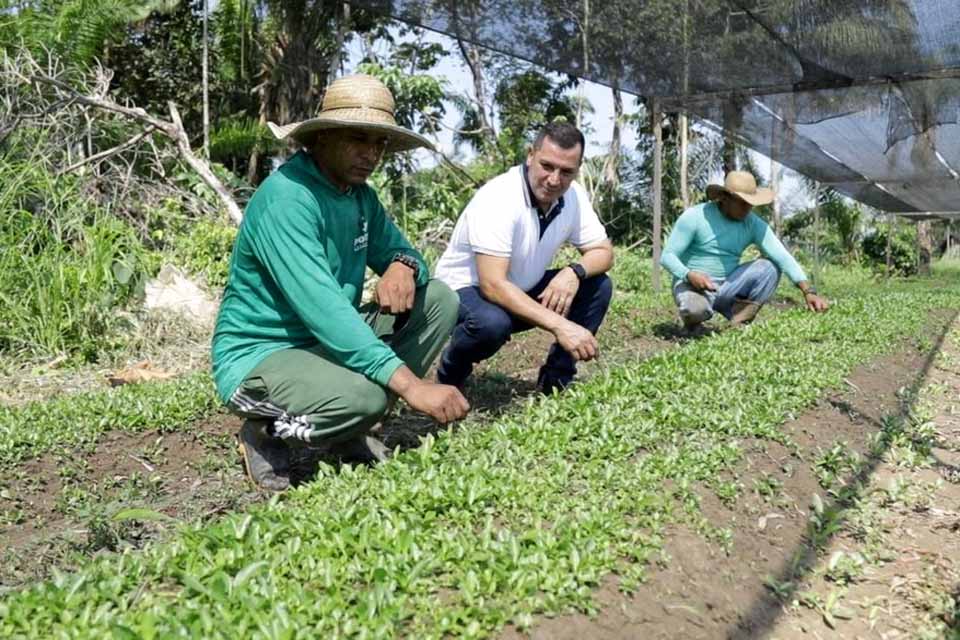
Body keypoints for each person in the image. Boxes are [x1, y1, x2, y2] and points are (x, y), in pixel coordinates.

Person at [212, 74, 469, 491]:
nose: (370, 154)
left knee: (439, 299)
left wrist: (401, 265)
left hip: (325, 343)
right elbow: (327, 312)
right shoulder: (288, 199)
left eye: (379, 143)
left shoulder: (358, 194)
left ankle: (350, 428)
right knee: (366, 397)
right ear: (322, 138)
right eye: (358, 139)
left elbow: (411, 258)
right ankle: (265, 432)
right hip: (264, 353)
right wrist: (412, 387)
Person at [434, 122, 614, 394]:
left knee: (597, 285)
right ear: (531, 155)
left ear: (577, 170)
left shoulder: (573, 196)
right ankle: (448, 376)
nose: (554, 180)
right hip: (463, 292)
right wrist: (562, 326)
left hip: (517, 288)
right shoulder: (500, 196)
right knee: (491, 324)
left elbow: (604, 252)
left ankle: (555, 382)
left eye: (566, 172)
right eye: (547, 166)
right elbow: (492, 284)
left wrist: (572, 272)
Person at [661, 170, 829, 333]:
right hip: (692, 285)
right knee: (694, 310)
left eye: (750, 203)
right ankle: (693, 325)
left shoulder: (752, 224)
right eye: (742, 202)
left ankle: (739, 322)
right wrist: (689, 275)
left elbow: (782, 256)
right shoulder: (695, 217)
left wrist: (808, 292)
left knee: (769, 268)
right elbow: (667, 256)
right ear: (725, 198)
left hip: (728, 286)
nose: (747, 208)